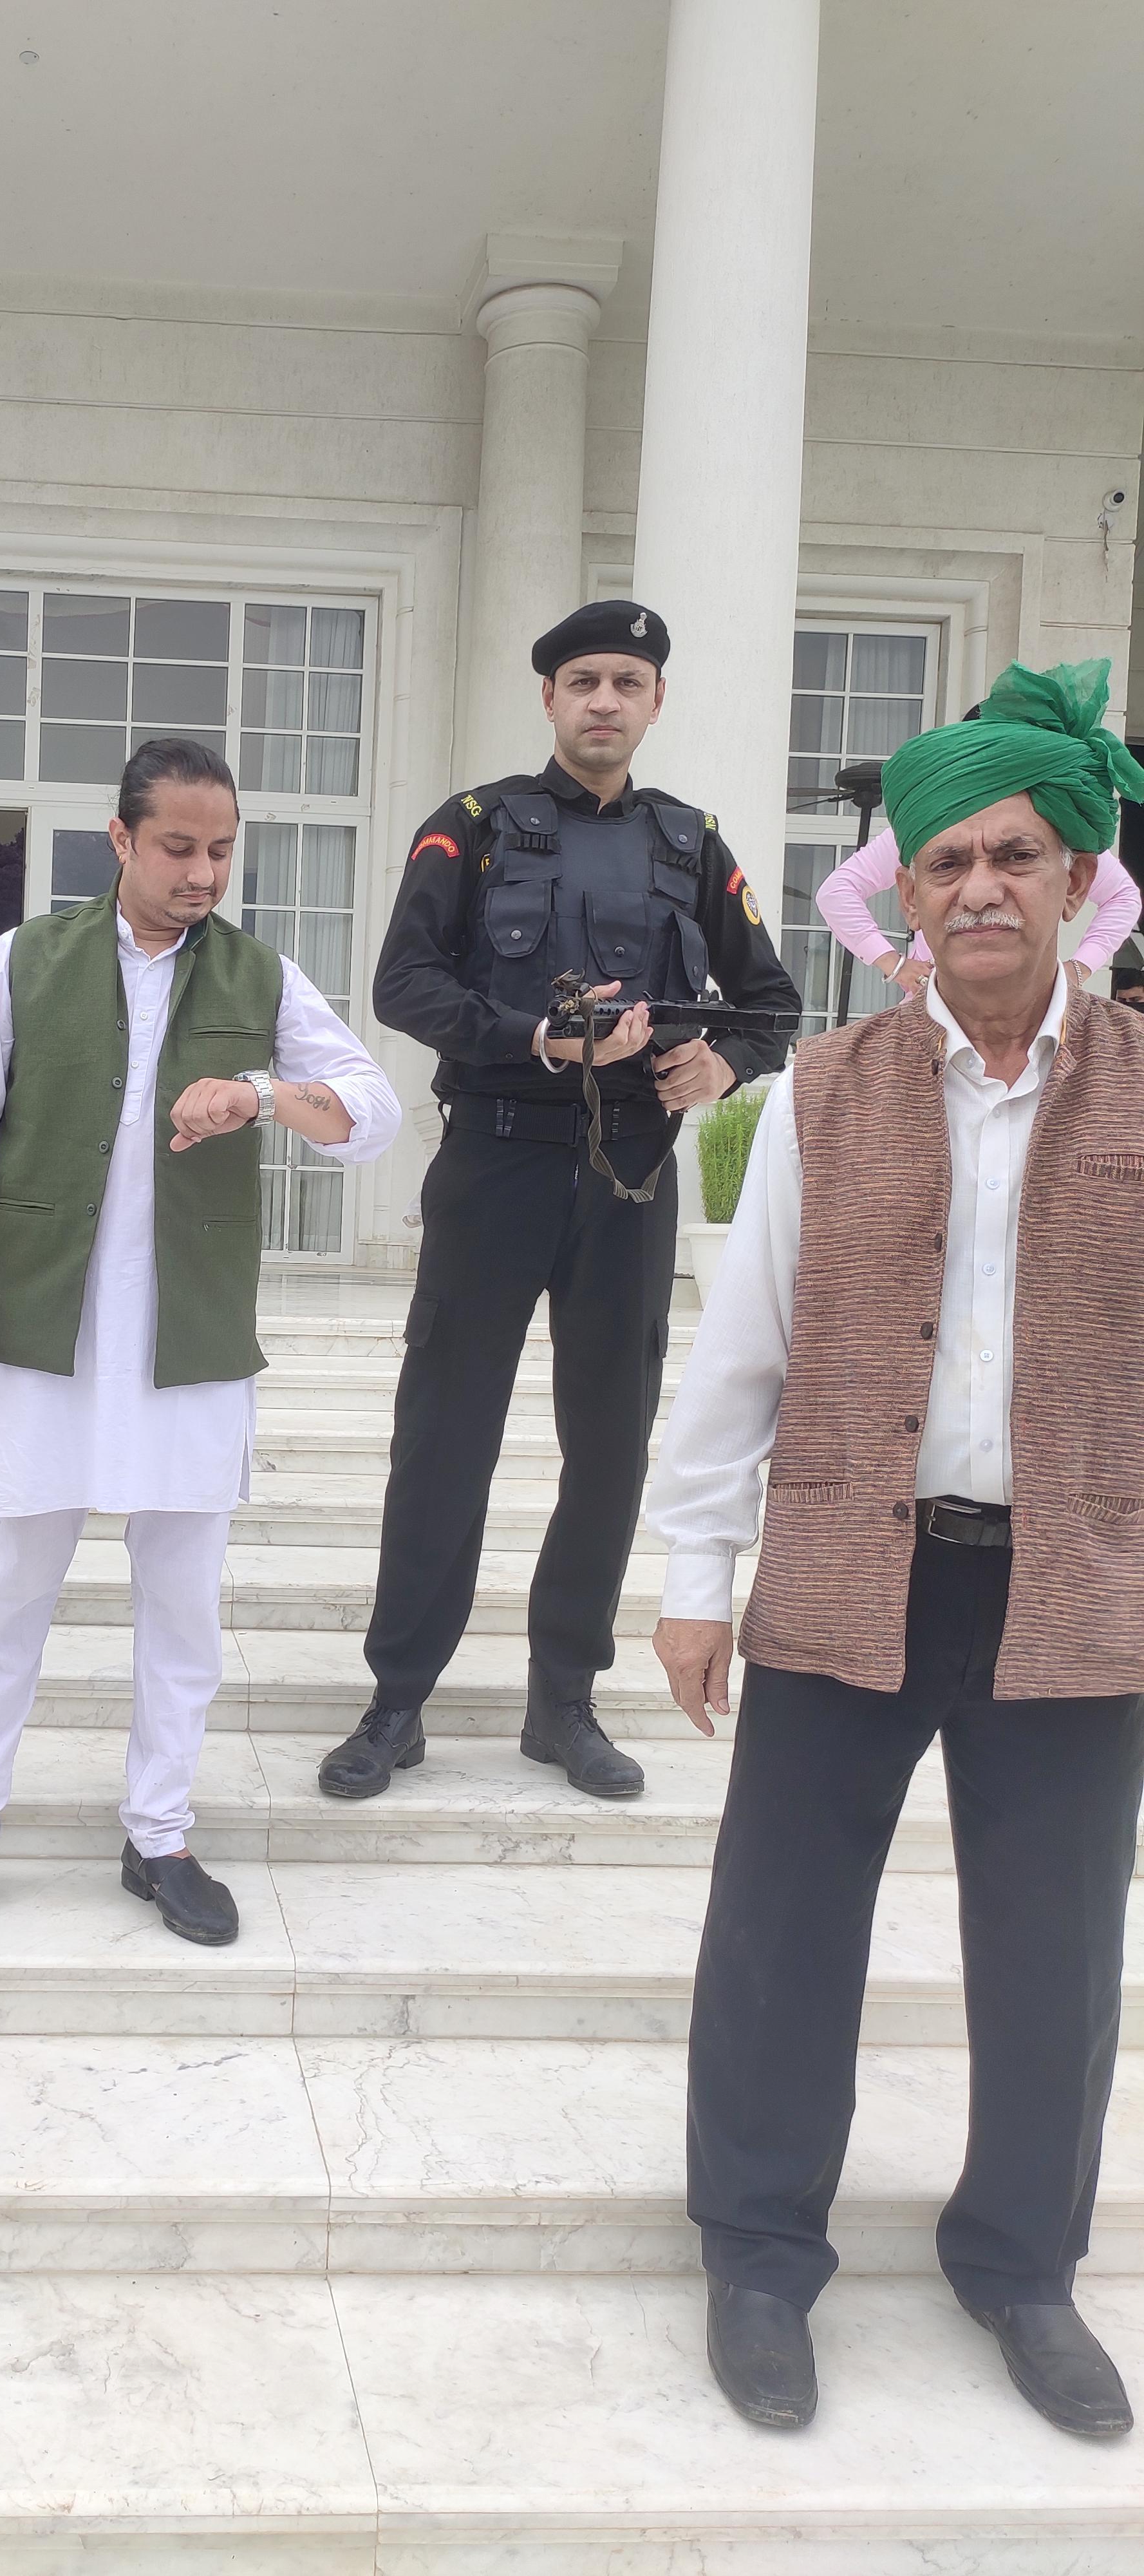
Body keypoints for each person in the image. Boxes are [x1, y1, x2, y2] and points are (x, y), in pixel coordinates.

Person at [648, 658, 1144, 2438]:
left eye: (1013, 854)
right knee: (780, 1925)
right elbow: (744, 1350)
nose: (980, 887)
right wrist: (694, 1575)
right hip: (848, 1563)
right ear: (906, 897)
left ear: (1075, 875)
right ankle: (758, 2250)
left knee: (1056, 1948)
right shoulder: (818, 1093)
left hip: (1073, 1580)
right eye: (946, 861)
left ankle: (1020, 2262)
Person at [0, 738, 400, 1951]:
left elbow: (371, 1117)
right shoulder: (26, 959)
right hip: (42, 1331)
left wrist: (261, 1094)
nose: (203, 873)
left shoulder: (261, 975)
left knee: (183, 1607)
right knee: (9, 1594)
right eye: (178, 847)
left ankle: (160, 1832)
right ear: (120, 839)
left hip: (189, 1342)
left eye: (221, 851)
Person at [318, 601, 800, 1806]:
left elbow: (771, 1005)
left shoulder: (693, 844)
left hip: (630, 1173)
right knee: (445, 1432)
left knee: (610, 1442)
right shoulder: (476, 827)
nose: (603, 701)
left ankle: (564, 1700)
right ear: (548, 697)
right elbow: (403, 984)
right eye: (583, 680)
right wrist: (534, 1039)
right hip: (496, 1160)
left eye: (626, 682)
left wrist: (723, 1065)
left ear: (655, 702)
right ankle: (397, 1699)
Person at [815, 813, 1138, 998]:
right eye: (947, 865)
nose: (980, 894)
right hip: (934, 1009)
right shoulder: (926, 822)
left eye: (1019, 858)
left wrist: (1080, 967)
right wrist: (893, 964)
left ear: (1075, 883)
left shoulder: (1052, 824)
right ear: (909, 894)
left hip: (1037, 1007)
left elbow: (1123, 897)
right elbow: (837, 892)